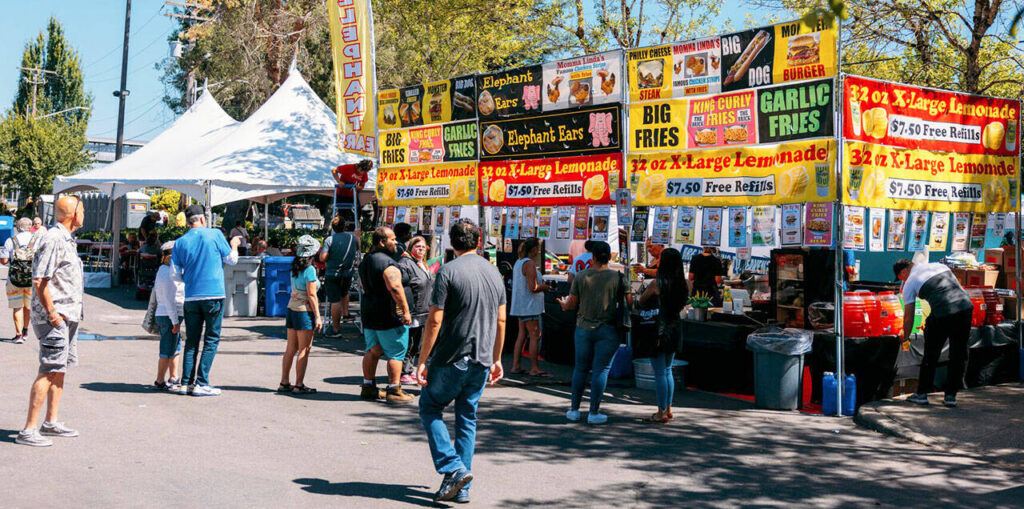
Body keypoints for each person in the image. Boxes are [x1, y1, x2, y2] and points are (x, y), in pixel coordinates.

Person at [416, 220, 506, 503]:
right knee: (467, 419)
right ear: (478, 241)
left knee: (430, 406)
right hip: (481, 357)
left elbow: (434, 320)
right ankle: (461, 485)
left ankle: (453, 467)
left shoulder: (447, 272)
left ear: (451, 243)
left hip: (451, 356)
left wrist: (422, 359)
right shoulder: (494, 272)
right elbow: (502, 319)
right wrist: (497, 358)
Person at [15, 196, 85, 447]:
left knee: (59, 368)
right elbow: (39, 279)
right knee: (48, 369)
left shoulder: (67, 238)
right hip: (56, 317)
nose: (84, 214)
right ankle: (29, 429)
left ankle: (51, 421)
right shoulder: (54, 238)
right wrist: (53, 313)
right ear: (73, 214)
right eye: (82, 209)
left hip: (68, 315)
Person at [170, 204, 240, 397]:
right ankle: (201, 382)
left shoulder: (180, 242)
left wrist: (189, 281)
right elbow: (232, 259)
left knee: (191, 341)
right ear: (202, 219)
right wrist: (234, 245)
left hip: (191, 296)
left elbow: (174, 274)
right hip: (214, 294)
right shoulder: (215, 235)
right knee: (211, 339)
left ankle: (185, 382)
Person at [557, 241, 631, 425]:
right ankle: (594, 412)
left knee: (580, 368)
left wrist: (564, 304)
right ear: (610, 257)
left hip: (583, 327)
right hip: (608, 329)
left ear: (593, 257)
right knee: (601, 370)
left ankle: (574, 409)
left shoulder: (581, 276)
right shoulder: (618, 278)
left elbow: (572, 304)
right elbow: (631, 302)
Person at [894, 259, 973, 407]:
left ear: (904, 271)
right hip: (965, 307)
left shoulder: (910, 282)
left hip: (943, 311)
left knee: (931, 353)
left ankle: (922, 393)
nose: (902, 281)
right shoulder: (940, 266)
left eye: (900, 277)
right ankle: (951, 396)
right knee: (958, 353)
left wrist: (905, 337)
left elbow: (909, 316)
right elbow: (953, 289)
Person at [358, 227, 414, 403]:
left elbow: (362, 286)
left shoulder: (366, 260)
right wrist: (405, 311)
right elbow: (395, 287)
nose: (396, 242)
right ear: (382, 242)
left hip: (370, 313)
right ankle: (394, 390)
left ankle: (368, 386)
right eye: (392, 239)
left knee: (373, 350)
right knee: (396, 353)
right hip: (389, 315)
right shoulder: (386, 263)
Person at [636, 248, 687, 423]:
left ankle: (661, 412)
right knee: (667, 370)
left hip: (658, 329)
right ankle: (668, 408)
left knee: (660, 372)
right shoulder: (683, 284)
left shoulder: (657, 284)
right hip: (674, 327)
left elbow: (641, 302)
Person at [280, 235, 323, 395]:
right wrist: (318, 316)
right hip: (304, 311)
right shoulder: (310, 270)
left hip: (292, 308)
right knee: (304, 349)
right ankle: (299, 384)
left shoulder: (295, 266)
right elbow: (312, 295)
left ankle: (284, 381)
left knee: (290, 348)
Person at [510, 237, 552, 376]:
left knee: (522, 335)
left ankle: (516, 365)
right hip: (529, 306)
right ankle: (534, 368)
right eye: (538, 248)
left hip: (520, 305)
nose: (539, 251)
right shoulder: (529, 264)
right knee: (535, 335)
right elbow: (532, 287)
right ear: (533, 249)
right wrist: (545, 287)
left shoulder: (519, 262)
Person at [398, 236, 433, 384]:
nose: (421, 249)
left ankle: (409, 369)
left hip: (423, 309)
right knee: (410, 341)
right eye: (417, 246)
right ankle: (404, 371)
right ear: (411, 248)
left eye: (423, 247)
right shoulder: (406, 263)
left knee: (416, 342)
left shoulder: (421, 263)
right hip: (414, 309)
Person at [319, 217, 359, 336]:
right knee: (345, 292)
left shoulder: (329, 240)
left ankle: (336, 329)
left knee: (335, 300)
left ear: (333, 227)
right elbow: (358, 248)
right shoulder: (353, 238)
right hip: (347, 272)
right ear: (344, 226)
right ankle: (346, 313)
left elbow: (323, 258)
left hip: (332, 273)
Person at [152, 241, 184, 391]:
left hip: (168, 313)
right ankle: (159, 379)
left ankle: (173, 376)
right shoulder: (167, 273)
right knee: (167, 347)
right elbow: (169, 300)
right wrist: (175, 322)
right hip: (169, 314)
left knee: (175, 345)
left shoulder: (164, 271)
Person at [1, 218, 36, 343]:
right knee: (28, 306)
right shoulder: (36, 240)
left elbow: (4, 260)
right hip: (32, 279)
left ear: (18, 227)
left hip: (14, 279)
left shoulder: (11, 240)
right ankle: (26, 330)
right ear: (30, 227)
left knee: (17, 307)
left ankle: (18, 335)